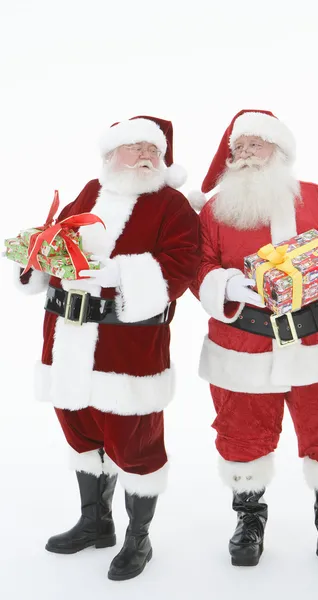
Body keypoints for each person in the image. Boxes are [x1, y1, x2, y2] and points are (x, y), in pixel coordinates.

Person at [14, 115, 200, 581]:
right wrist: (35, 257)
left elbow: (181, 267)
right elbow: (59, 239)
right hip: (66, 342)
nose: (143, 155)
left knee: (135, 447)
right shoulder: (87, 192)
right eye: (133, 147)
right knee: (81, 434)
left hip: (127, 351)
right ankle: (96, 523)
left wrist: (120, 275)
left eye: (151, 150)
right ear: (108, 156)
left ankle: (139, 538)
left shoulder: (172, 205)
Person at [189, 109, 318, 577]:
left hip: (317, 345)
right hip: (241, 347)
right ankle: (249, 522)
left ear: (280, 150)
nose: (247, 153)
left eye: (256, 144)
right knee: (242, 439)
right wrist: (224, 286)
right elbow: (199, 265)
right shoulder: (214, 210)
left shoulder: (316, 198)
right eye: (239, 147)